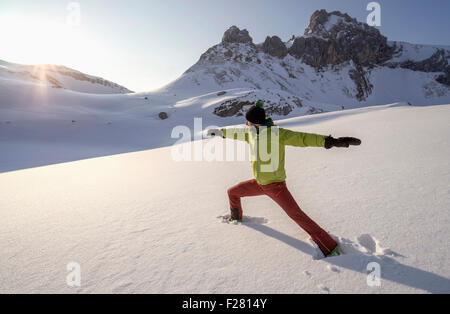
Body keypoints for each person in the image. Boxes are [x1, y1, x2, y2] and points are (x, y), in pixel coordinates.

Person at [207, 100, 361, 257]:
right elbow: (236, 133)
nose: (246, 124)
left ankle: (329, 246)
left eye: (248, 121)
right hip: (258, 183)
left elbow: (302, 138)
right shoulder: (251, 134)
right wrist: (220, 132)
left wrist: (330, 141)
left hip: (276, 187)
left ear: (257, 123)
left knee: (296, 214)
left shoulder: (278, 134)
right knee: (233, 192)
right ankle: (236, 219)